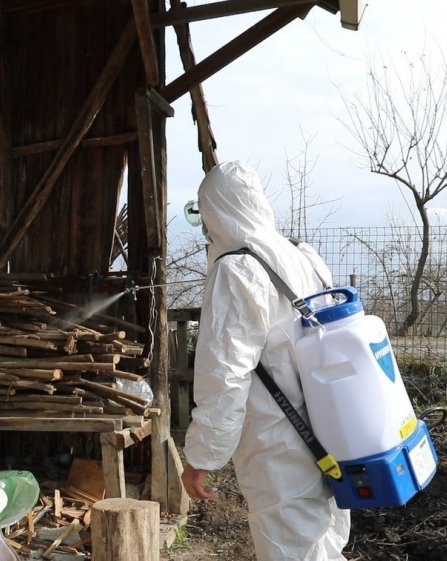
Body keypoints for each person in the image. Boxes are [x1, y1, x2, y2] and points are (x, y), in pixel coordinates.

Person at [181, 161, 350, 560]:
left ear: (215, 211)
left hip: (278, 443)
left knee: (291, 549)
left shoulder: (237, 268)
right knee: (324, 541)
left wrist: (203, 457)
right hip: (330, 428)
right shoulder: (300, 255)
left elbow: (225, 375)